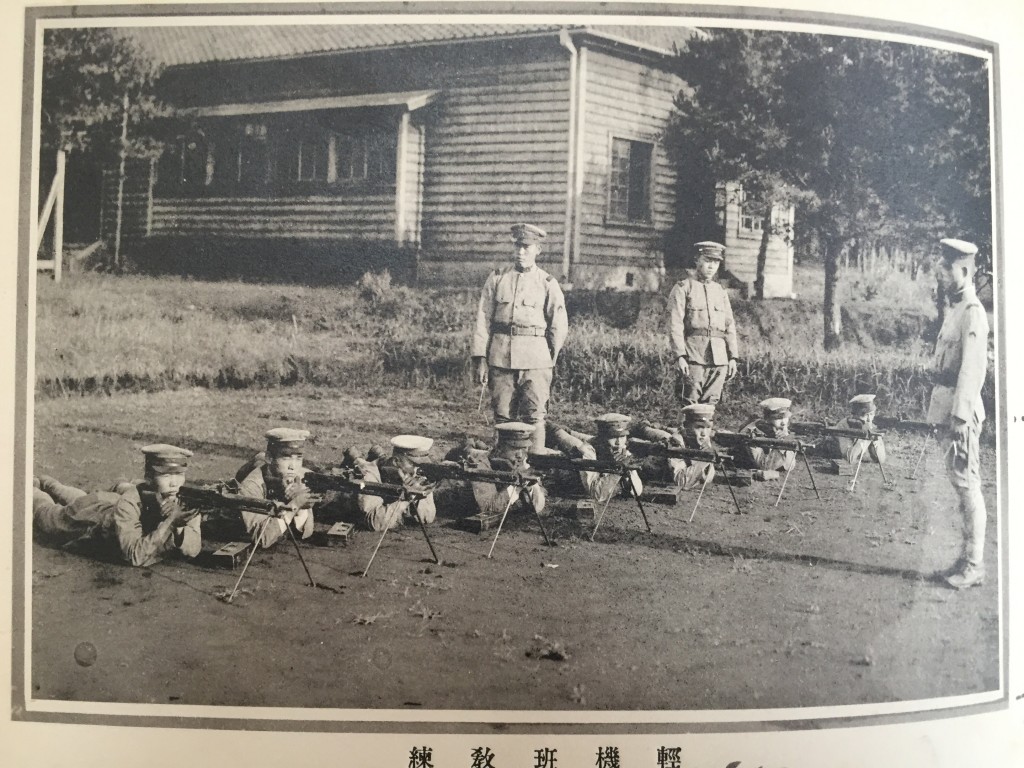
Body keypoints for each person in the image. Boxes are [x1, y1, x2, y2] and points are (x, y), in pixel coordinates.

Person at [471, 223, 569, 453]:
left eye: (526, 247)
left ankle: (535, 469)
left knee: (534, 417)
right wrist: (480, 358)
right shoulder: (497, 279)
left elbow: (559, 325)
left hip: (536, 362)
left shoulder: (547, 284)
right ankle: (505, 468)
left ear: (538, 250)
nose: (520, 252)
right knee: (503, 418)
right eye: (517, 246)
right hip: (501, 359)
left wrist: (548, 360)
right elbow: (483, 319)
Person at [927, 238, 990, 590]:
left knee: (968, 486)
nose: (940, 272)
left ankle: (973, 564)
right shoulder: (956, 309)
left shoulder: (972, 312)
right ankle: (965, 558)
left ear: (963, 270)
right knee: (958, 484)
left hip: (960, 412)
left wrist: (961, 415)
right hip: (947, 407)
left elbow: (972, 370)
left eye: (946, 267)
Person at [32, 444, 201, 567]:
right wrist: (171, 523)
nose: (174, 483)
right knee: (48, 516)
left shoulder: (184, 501)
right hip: (92, 519)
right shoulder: (130, 501)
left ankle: (48, 482)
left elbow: (193, 550)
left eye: (179, 475)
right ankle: (31, 487)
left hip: (110, 500)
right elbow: (134, 555)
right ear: (149, 477)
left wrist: (179, 528)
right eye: (165, 476)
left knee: (77, 496)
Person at [668, 241, 740, 406]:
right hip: (694, 356)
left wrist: (733, 357)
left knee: (710, 407)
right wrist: (680, 356)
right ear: (696, 260)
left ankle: (706, 433)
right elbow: (675, 325)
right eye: (707, 260)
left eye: (716, 262)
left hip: (719, 359)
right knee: (690, 406)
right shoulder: (683, 288)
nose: (711, 266)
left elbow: (729, 325)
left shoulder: (720, 291)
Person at [234, 427, 315, 548]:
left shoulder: (300, 476)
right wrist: (295, 504)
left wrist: (303, 506)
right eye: (286, 457)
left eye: (298, 458)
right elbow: (261, 539)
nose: (293, 466)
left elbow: (306, 532)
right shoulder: (251, 486)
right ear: (270, 458)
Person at [339, 435, 437, 532]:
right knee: (362, 464)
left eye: (420, 467)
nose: (416, 471)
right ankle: (356, 458)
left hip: (390, 467)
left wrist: (419, 493)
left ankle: (378, 455)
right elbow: (374, 522)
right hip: (366, 472)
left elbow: (427, 517)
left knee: (383, 462)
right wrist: (407, 498)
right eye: (413, 465)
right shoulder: (369, 475)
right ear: (396, 461)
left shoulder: (414, 474)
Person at [545, 413, 643, 504]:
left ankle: (564, 430)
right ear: (602, 438)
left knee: (570, 434)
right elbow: (596, 494)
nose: (619, 442)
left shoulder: (621, 450)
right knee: (559, 434)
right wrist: (616, 471)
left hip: (591, 443)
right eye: (613, 437)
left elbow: (637, 491)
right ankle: (548, 425)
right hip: (571, 462)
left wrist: (626, 471)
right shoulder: (588, 451)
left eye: (622, 437)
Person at [456, 422, 547, 519]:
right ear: (500, 447)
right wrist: (516, 486)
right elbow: (488, 509)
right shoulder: (481, 465)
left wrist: (531, 486)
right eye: (515, 448)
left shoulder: (520, 464)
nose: (520, 455)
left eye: (524, 448)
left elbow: (537, 507)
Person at [630, 404, 718, 493]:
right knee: (664, 436)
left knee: (667, 434)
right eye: (699, 427)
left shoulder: (702, 439)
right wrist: (703, 460)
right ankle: (643, 427)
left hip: (677, 435)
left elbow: (709, 477)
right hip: (654, 465)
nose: (704, 433)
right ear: (687, 426)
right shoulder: (676, 442)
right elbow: (681, 482)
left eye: (708, 427)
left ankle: (656, 427)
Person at [731, 397, 797, 480]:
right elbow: (762, 465)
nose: (783, 422)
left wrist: (785, 437)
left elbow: (790, 463)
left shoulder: (779, 428)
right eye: (778, 418)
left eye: (785, 418)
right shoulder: (753, 429)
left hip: (767, 461)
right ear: (767, 418)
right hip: (752, 462)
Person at [822, 394, 888, 471]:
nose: (869, 419)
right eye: (865, 415)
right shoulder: (844, 426)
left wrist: (873, 437)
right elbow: (849, 458)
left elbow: (881, 459)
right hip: (825, 449)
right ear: (855, 415)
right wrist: (863, 438)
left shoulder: (870, 426)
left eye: (872, 414)